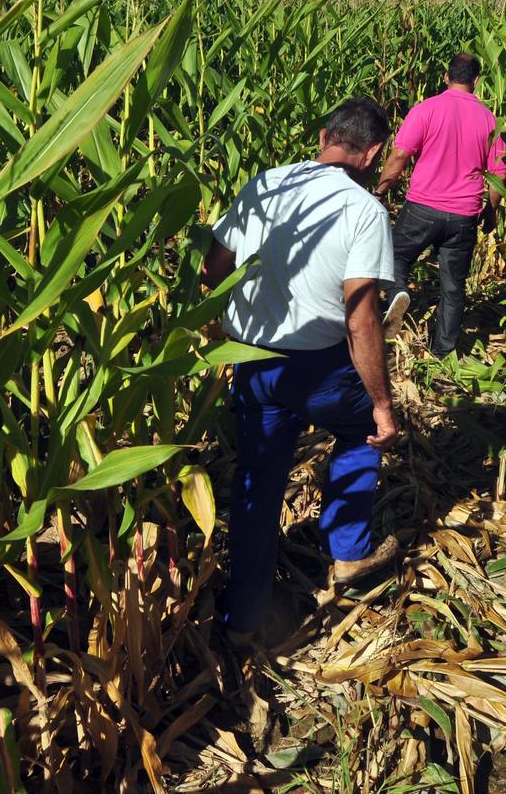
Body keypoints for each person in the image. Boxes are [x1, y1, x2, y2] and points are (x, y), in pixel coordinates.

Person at [201, 98, 402, 640]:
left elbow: (213, 266)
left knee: (257, 482)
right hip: (320, 368)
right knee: (364, 431)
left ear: (323, 137)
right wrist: (382, 405)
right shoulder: (364, 211)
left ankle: (242, 619)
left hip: (252, 362)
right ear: (375, 153)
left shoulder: (267, 183)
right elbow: (361, 319)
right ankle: (348, 552)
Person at [375, 53, 506, 357]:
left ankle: (398, 294)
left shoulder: (426, 109)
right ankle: (443, 353)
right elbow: (500, 171)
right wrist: (491, 210)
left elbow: (399, 156)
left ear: (446, 78)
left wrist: (381, 191)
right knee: (453, 286)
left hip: (422, 207)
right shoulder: (489, 119)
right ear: (476, 81)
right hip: (463, 215)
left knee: (395, 259)